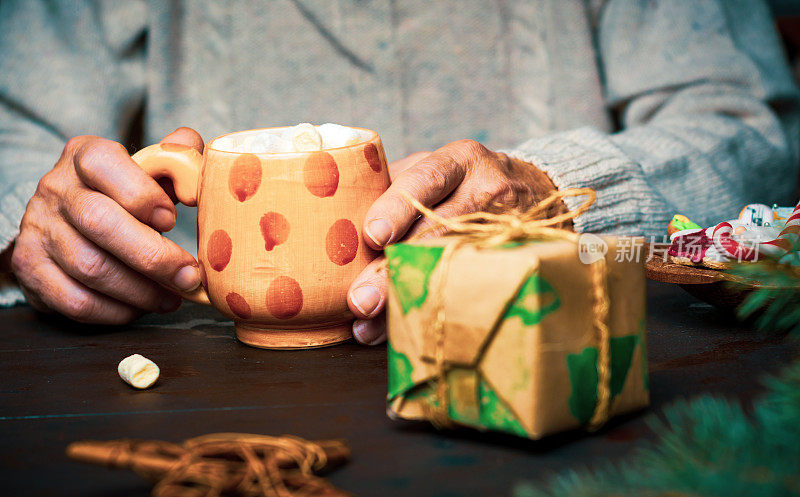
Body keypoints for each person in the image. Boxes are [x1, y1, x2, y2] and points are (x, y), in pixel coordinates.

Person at [1, 0, 798, 345]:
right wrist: (42, 219)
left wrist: (563, 188)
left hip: (552, 377)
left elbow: (752, 128)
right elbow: (15, 128)